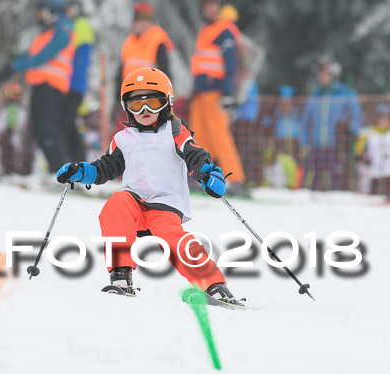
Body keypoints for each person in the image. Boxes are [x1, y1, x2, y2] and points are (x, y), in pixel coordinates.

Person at [55, 67, 243, 307]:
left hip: (165, 205)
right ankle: (121, 277)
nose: (145, 111)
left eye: (153, 102)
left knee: (173, 238)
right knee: (116, 203)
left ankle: (214, 285)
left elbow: (194, 155)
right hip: (135, 202)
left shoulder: (174, 131)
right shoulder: (124, 138)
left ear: (167, 104)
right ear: (126, 107)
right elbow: (106, 168)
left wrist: (207, 173)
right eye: (136, 105)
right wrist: (82, 172)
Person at [11, 0, 76, 180]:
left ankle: (62, 169)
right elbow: (32, 54)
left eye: (42, 12)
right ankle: (54, 169)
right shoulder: (46, 33)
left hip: (52, 87)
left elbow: (43, 56)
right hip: (41, 86)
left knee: (49, 129)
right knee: (40, 128)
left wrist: (20, 64)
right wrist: (15, 64)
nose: (39, 16)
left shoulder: (63, 32)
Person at [189, 0, 248, 195]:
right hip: (200, 92)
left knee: (219, 135)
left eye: (213, 5)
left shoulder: (224, 30)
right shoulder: (206, 29)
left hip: (216, 92)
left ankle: (236, 179)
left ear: (219, 7)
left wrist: (228, 94)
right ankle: (204, 175)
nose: (210, 9)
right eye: (207, 5)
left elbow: (230, 64)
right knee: (200, 136)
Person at [300, 56, 362, 191]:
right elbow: (304, 122)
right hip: (316, 146)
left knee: (336, 182)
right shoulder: (314, 96)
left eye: (325, 74)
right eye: (320, 74)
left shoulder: (345, 94)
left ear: (333, 75)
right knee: (311, 181)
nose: (322, 77)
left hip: (337, 147)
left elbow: (356, 116)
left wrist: (351, 133)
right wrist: (305, 143)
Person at [114, 2, 174, 130]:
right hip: (130, 95)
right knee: (125, 130)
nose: (143, 24)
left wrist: (166, 97)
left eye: (146, 20)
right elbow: (122, 69)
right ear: (134, 22)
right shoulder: (129, 42)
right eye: (140, 20)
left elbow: (165, 70)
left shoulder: (157, 40)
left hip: (150, 95)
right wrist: (117, 94)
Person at [354, 103, 390, 202]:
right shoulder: (367, 134)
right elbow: (358, 151)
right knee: (373, 198)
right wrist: (363, 159)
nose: (384, 121)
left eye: (387, 118)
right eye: (381, 117)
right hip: (372, 173)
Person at [65, 0, 95, 162]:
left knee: (68, 123)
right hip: (72, 84)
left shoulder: (80, 26)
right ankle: (73, 159)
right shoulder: (78, 25)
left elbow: (67, 47)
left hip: (74, 84)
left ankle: (77, 160)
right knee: (68, 123)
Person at [264, 86, 303, 188]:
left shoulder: (297, 115)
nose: (285, 106)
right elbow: (266, 126)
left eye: (288, 103)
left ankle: (295, 185)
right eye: (283, 102)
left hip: (294, 146)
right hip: (280, 145)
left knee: (295, 167)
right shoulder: (275, 116)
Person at [0, 82, 32, 178]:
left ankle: (15, 171)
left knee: (13, 153)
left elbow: (20, 123)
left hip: (14, 134)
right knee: (6, 153)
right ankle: (7, 170)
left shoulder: (18, 109)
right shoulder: (6, 108)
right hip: (7, 134)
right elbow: (0, 122)